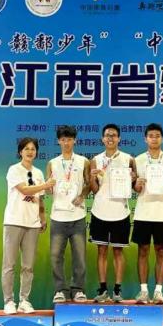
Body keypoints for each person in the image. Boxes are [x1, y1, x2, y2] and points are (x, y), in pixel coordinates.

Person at [2, 137, 54, 314]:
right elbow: (24, 190)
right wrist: (45, 185)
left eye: (33, 149)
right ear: (20, 152)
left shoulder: (38, 173)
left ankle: (24, 300)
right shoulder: (14, 170)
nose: (30, 152)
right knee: (9, 264)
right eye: (26, 149)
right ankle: (9, 301)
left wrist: (42, 217)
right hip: (14, 221)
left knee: (28, 266)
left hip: (32, 224)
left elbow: (40, 198)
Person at [132, 123, 163, 305]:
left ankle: (159, 292)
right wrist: (137, 184)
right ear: (145, 139)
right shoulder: (137, 160)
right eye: (151, 136)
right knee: (143, 250)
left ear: (162, 139)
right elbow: (135, 188)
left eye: (157, 136)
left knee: (161, 251)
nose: (154, 139)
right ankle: (144, 291)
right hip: (143, 212)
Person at [88, 123, 137, 302]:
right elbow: (94, 190)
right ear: (102, 139)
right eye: (107, 135)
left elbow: (135, 186)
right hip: (100, 211)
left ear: (119, 138)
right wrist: (92, 177)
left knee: (118, 251)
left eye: (114, 135)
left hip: (120, 212)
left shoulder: (128, 159)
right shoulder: (95, 160)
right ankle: (102, 290)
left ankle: (117, 290)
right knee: (101, 251)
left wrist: (134, 179)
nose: (110, 138)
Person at [46, 125, 91, 304]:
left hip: (77, 216)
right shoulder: (52, 163)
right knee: (55, 256)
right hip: (58, 216)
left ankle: (78, 289)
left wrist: (83, 195)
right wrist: (48, 188)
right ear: (58, 141)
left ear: (75, 141)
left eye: (69, 139)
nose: (66, 143)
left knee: (79, 256)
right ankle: (60, 290)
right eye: (63, 139)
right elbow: (48, 188)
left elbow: (89, 183)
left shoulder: (83, 161)